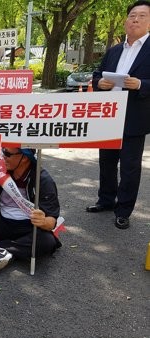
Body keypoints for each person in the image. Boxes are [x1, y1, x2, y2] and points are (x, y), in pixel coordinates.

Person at [87, 0, 150, 230]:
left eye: (142, 16)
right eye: (132, 15)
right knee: (107, 162)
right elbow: (96, 74)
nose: (135, 19)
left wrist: (141, 84)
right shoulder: (114, 50)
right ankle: (105, 200)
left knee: (130, 167)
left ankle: (123, 211)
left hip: (134, 116)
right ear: (126, 21)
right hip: (108, 116)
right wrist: (99, 82)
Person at [0, 148, 61, 272]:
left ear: (24, 157)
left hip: (28, 226)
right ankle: (9, 250)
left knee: (47, 242)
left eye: (7, 154)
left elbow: (52, 222)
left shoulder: (43, 179)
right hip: (2, 221)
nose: (3, 157)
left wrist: (43, 221)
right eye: (2, 152)